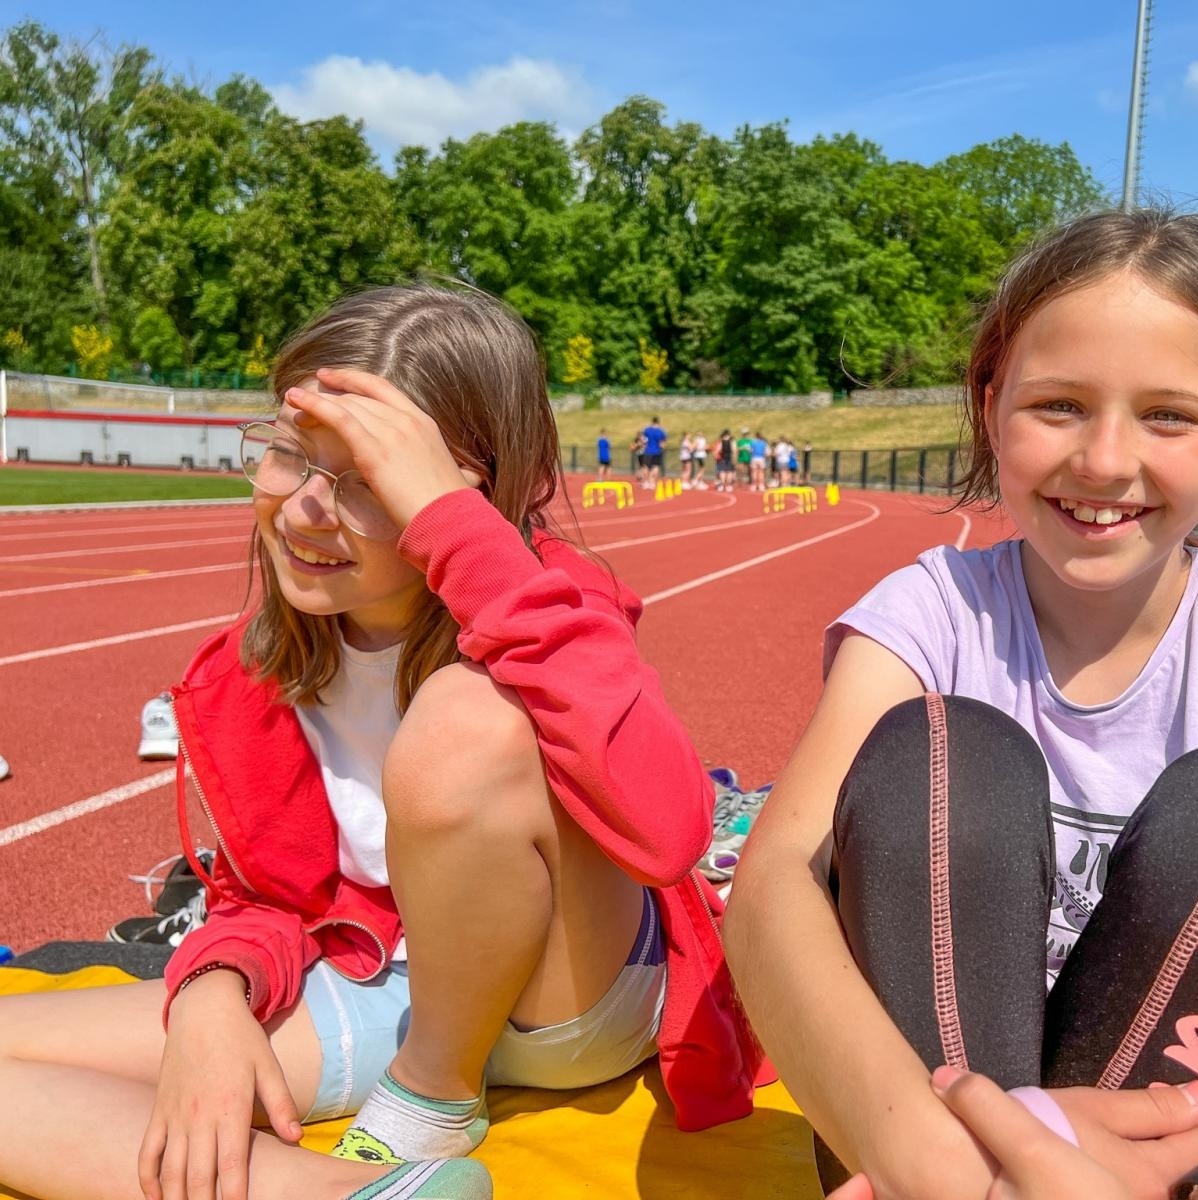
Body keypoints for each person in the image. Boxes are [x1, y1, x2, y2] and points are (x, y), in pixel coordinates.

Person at [723, 210, 1198, 1200]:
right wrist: (941, 1162)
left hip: (1158, 1158)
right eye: (1059, 406)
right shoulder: (933, 610)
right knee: (937, 760)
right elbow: (775, 876)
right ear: (992, 410)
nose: (1105, 460)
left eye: (1167, 416)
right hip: (929, 1145)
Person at [0, 285, 759, 1200]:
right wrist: (213, 993)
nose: (308, 509)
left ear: (462, 495)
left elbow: (669, 832)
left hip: (569, 995)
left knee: (463, 721)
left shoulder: (554, 607)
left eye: (366, 480)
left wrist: (458, 536)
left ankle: (435, 1093)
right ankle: (344, 1195)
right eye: (288, 455)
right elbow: (262, 896)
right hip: (385, 981)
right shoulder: (246, 675)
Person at [640, 416, 668, 490]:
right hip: (657, 451)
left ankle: (646, 482)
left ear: (652, 422)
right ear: (658, 422)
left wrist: (644, 445)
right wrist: (662, 447)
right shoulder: (661, 431)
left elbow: (642, 439)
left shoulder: (647, 430)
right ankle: (652, 482)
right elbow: (662, 444)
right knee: (655, 467)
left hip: (647, 451)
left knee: (646, 466)